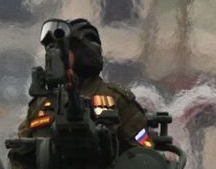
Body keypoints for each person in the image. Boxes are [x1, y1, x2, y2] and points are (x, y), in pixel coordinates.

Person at [18, 18, 147, 147]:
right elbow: (19, 155)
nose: (52, 58)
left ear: (83, 55)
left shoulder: (117, 99)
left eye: (60, 53)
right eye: (50, 52)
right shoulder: (40, 105)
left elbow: (144, 154)